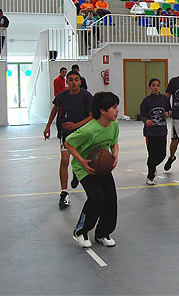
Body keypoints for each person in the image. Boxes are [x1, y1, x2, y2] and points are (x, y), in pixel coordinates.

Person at [65, 92, 120, 248]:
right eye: (114, 107)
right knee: (96, 197)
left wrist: (114, 153)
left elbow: (114, 142)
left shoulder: (114, 124)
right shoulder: (89, 130)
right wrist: (81, 161)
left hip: (102, 166)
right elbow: (69, 143)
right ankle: (81, 231)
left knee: (110, 197)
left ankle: (103, 233)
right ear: (102, 110)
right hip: (85, 167)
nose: (117, 111)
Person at [43, 70, 93, 209]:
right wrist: (48, 127)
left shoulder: (86, 96)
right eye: (70, 79)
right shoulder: (62, 96)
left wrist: (77, 125)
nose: (73, 82)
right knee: (64, 160)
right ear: (67, 82)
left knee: (83, 160)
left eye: (76, 79)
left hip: (83, 132)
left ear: (80, 81)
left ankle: (79, 177)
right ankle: (64, 193)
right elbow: (55, 109)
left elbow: (92, 116)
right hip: (67, 132)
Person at [140, 78, 171, 186]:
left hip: (162, 131)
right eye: (153, 85)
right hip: (150, 132)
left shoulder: (164, 99)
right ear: (150, 87)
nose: (155, 87)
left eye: (157, 85)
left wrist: (167, 113)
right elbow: (142, 116)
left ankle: (151, 166)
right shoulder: (146, 101)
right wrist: (146, 120)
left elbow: (167, 110)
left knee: (162, 154)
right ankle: (151, 175)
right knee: (152, 154)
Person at [53, 66, 68, 139]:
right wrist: (65, 89)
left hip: (63, 99)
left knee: (62, 116)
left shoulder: (63, 80)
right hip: (60, 100)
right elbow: (57, 91)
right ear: (60, 72)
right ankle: (59, 132)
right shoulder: (57, 80)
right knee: (60, 116)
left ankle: (60, 132)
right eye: (63, 72)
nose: (64, 73)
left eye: (65, 72)